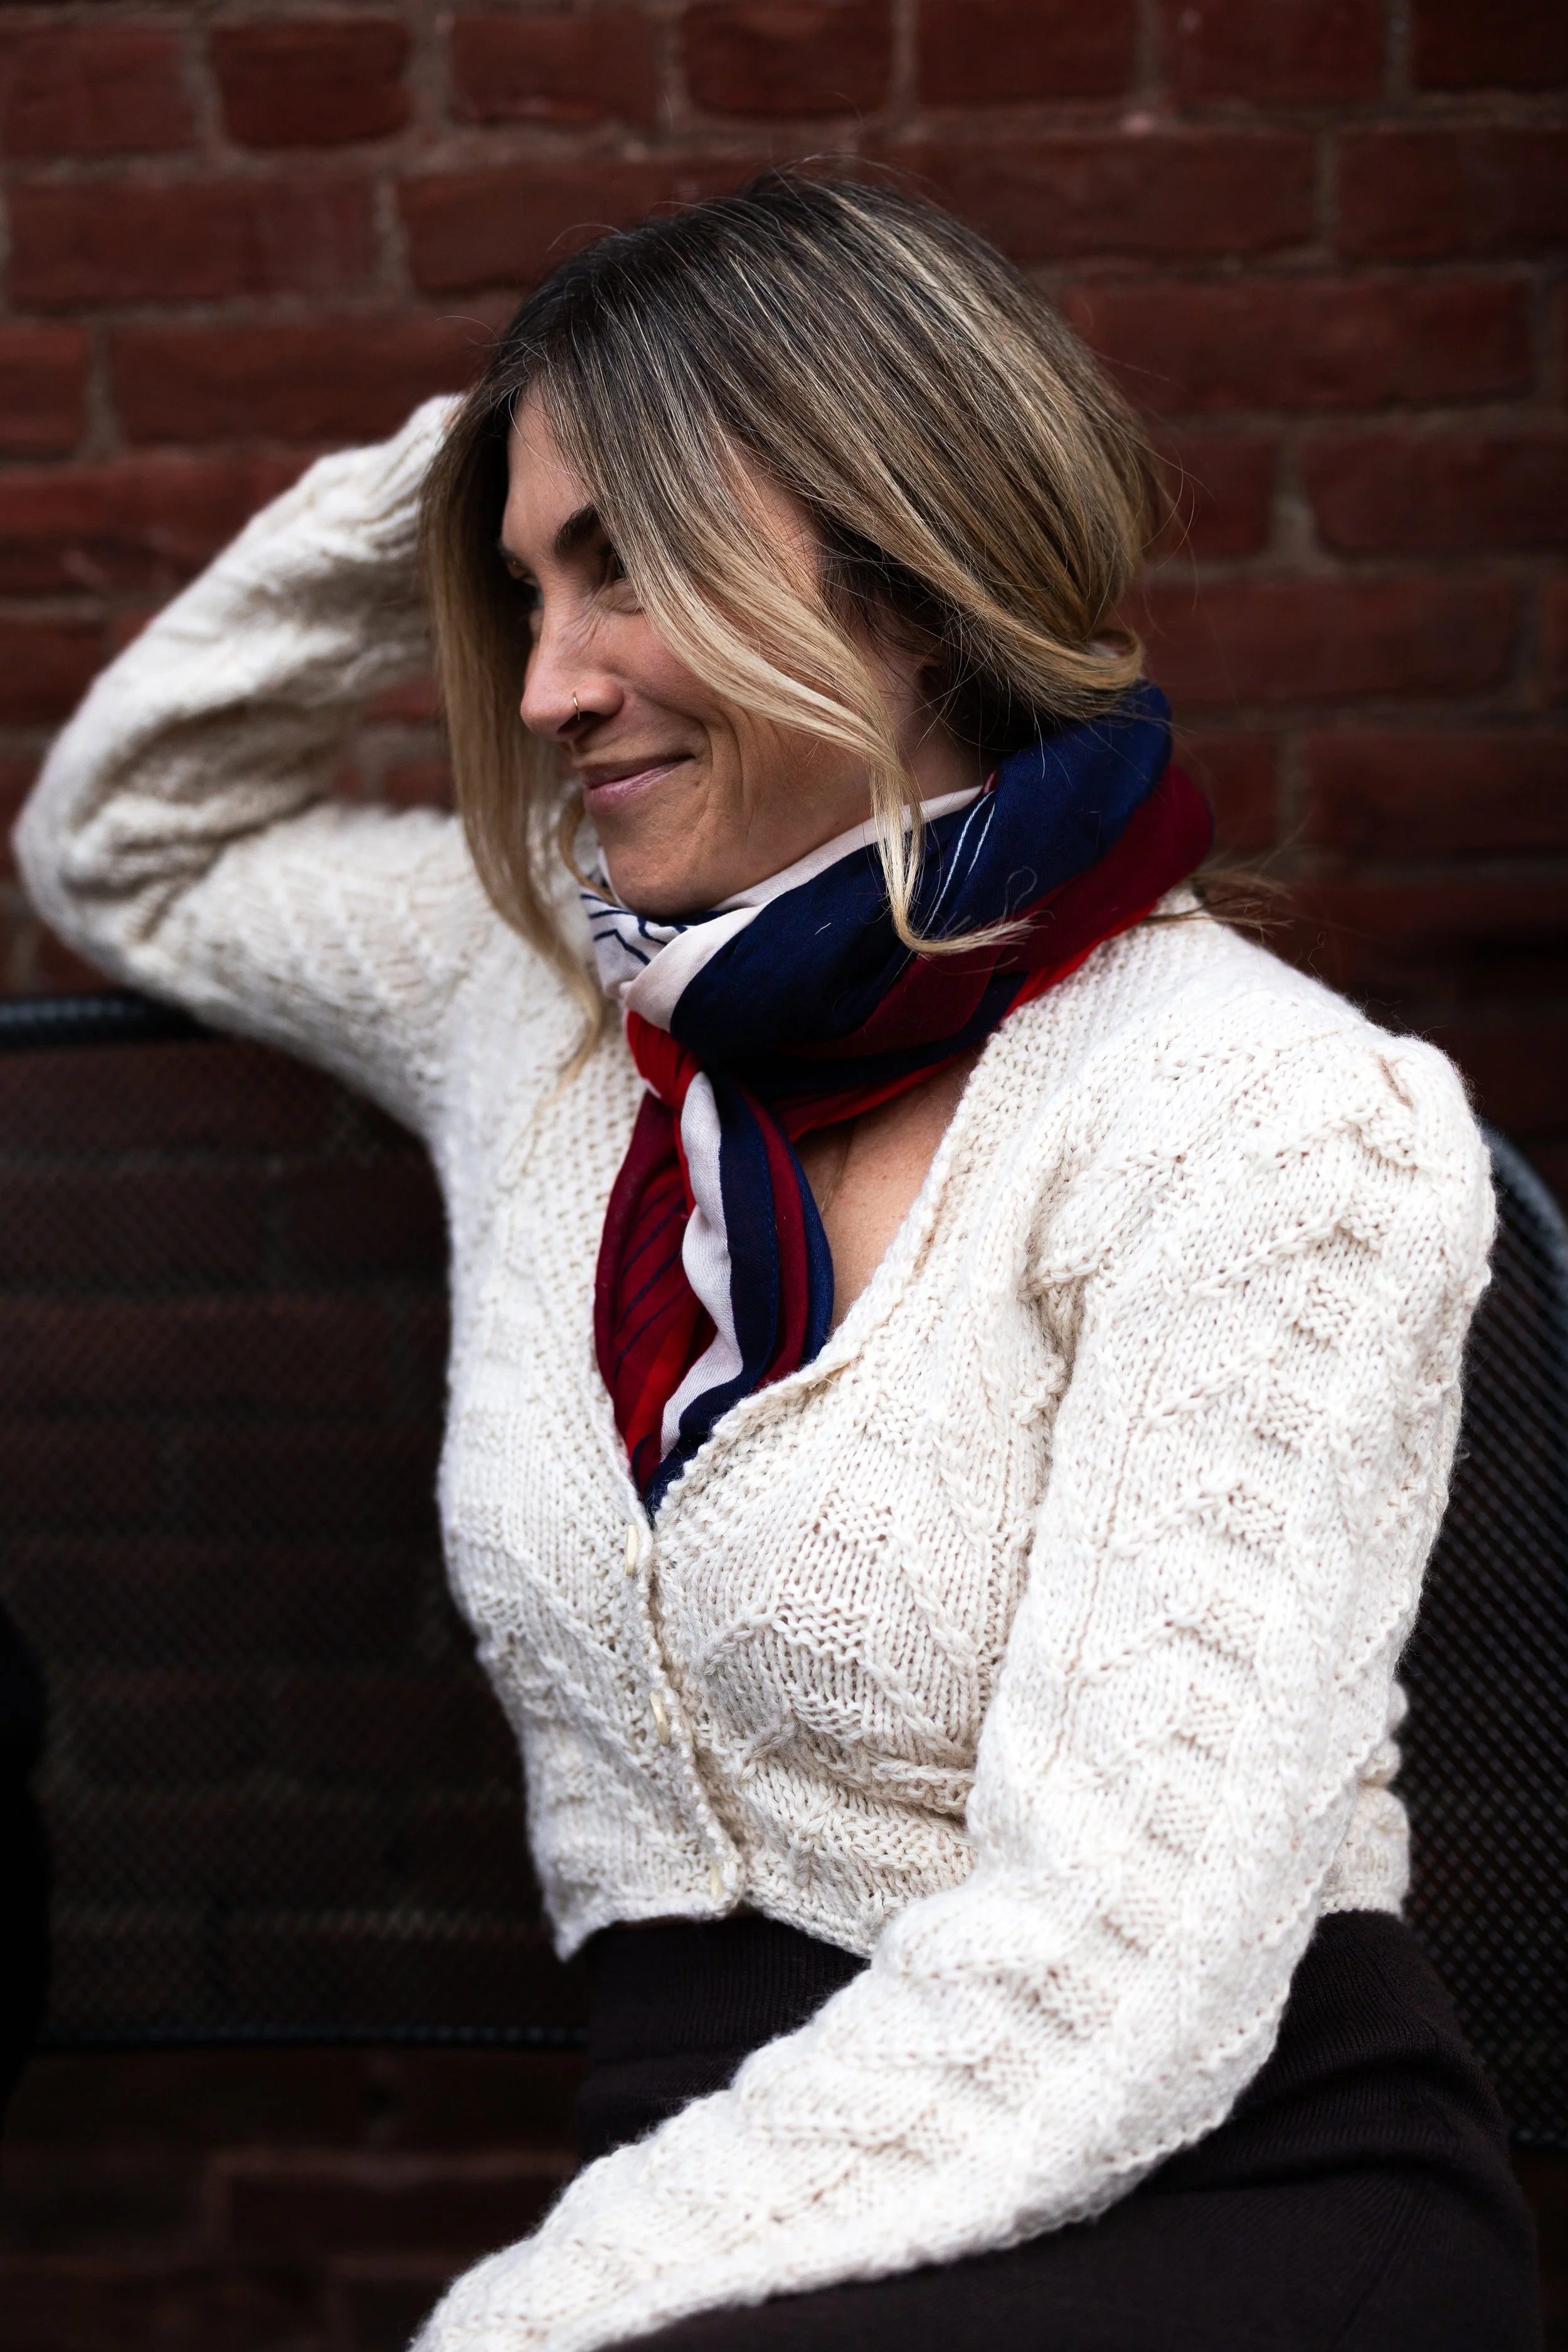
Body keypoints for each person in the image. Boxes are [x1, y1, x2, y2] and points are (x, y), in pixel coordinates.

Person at [16, 173, 1537, 2350]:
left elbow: (1122, 1965)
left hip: (1208, 2175)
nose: (542, 684)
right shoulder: (528, 991)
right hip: (714, 2201)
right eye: (525, 587)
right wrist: (474, 461)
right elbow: (123, 839)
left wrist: (534, 2318)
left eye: (626, 564)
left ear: (905, 561)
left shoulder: (1257, 1114)